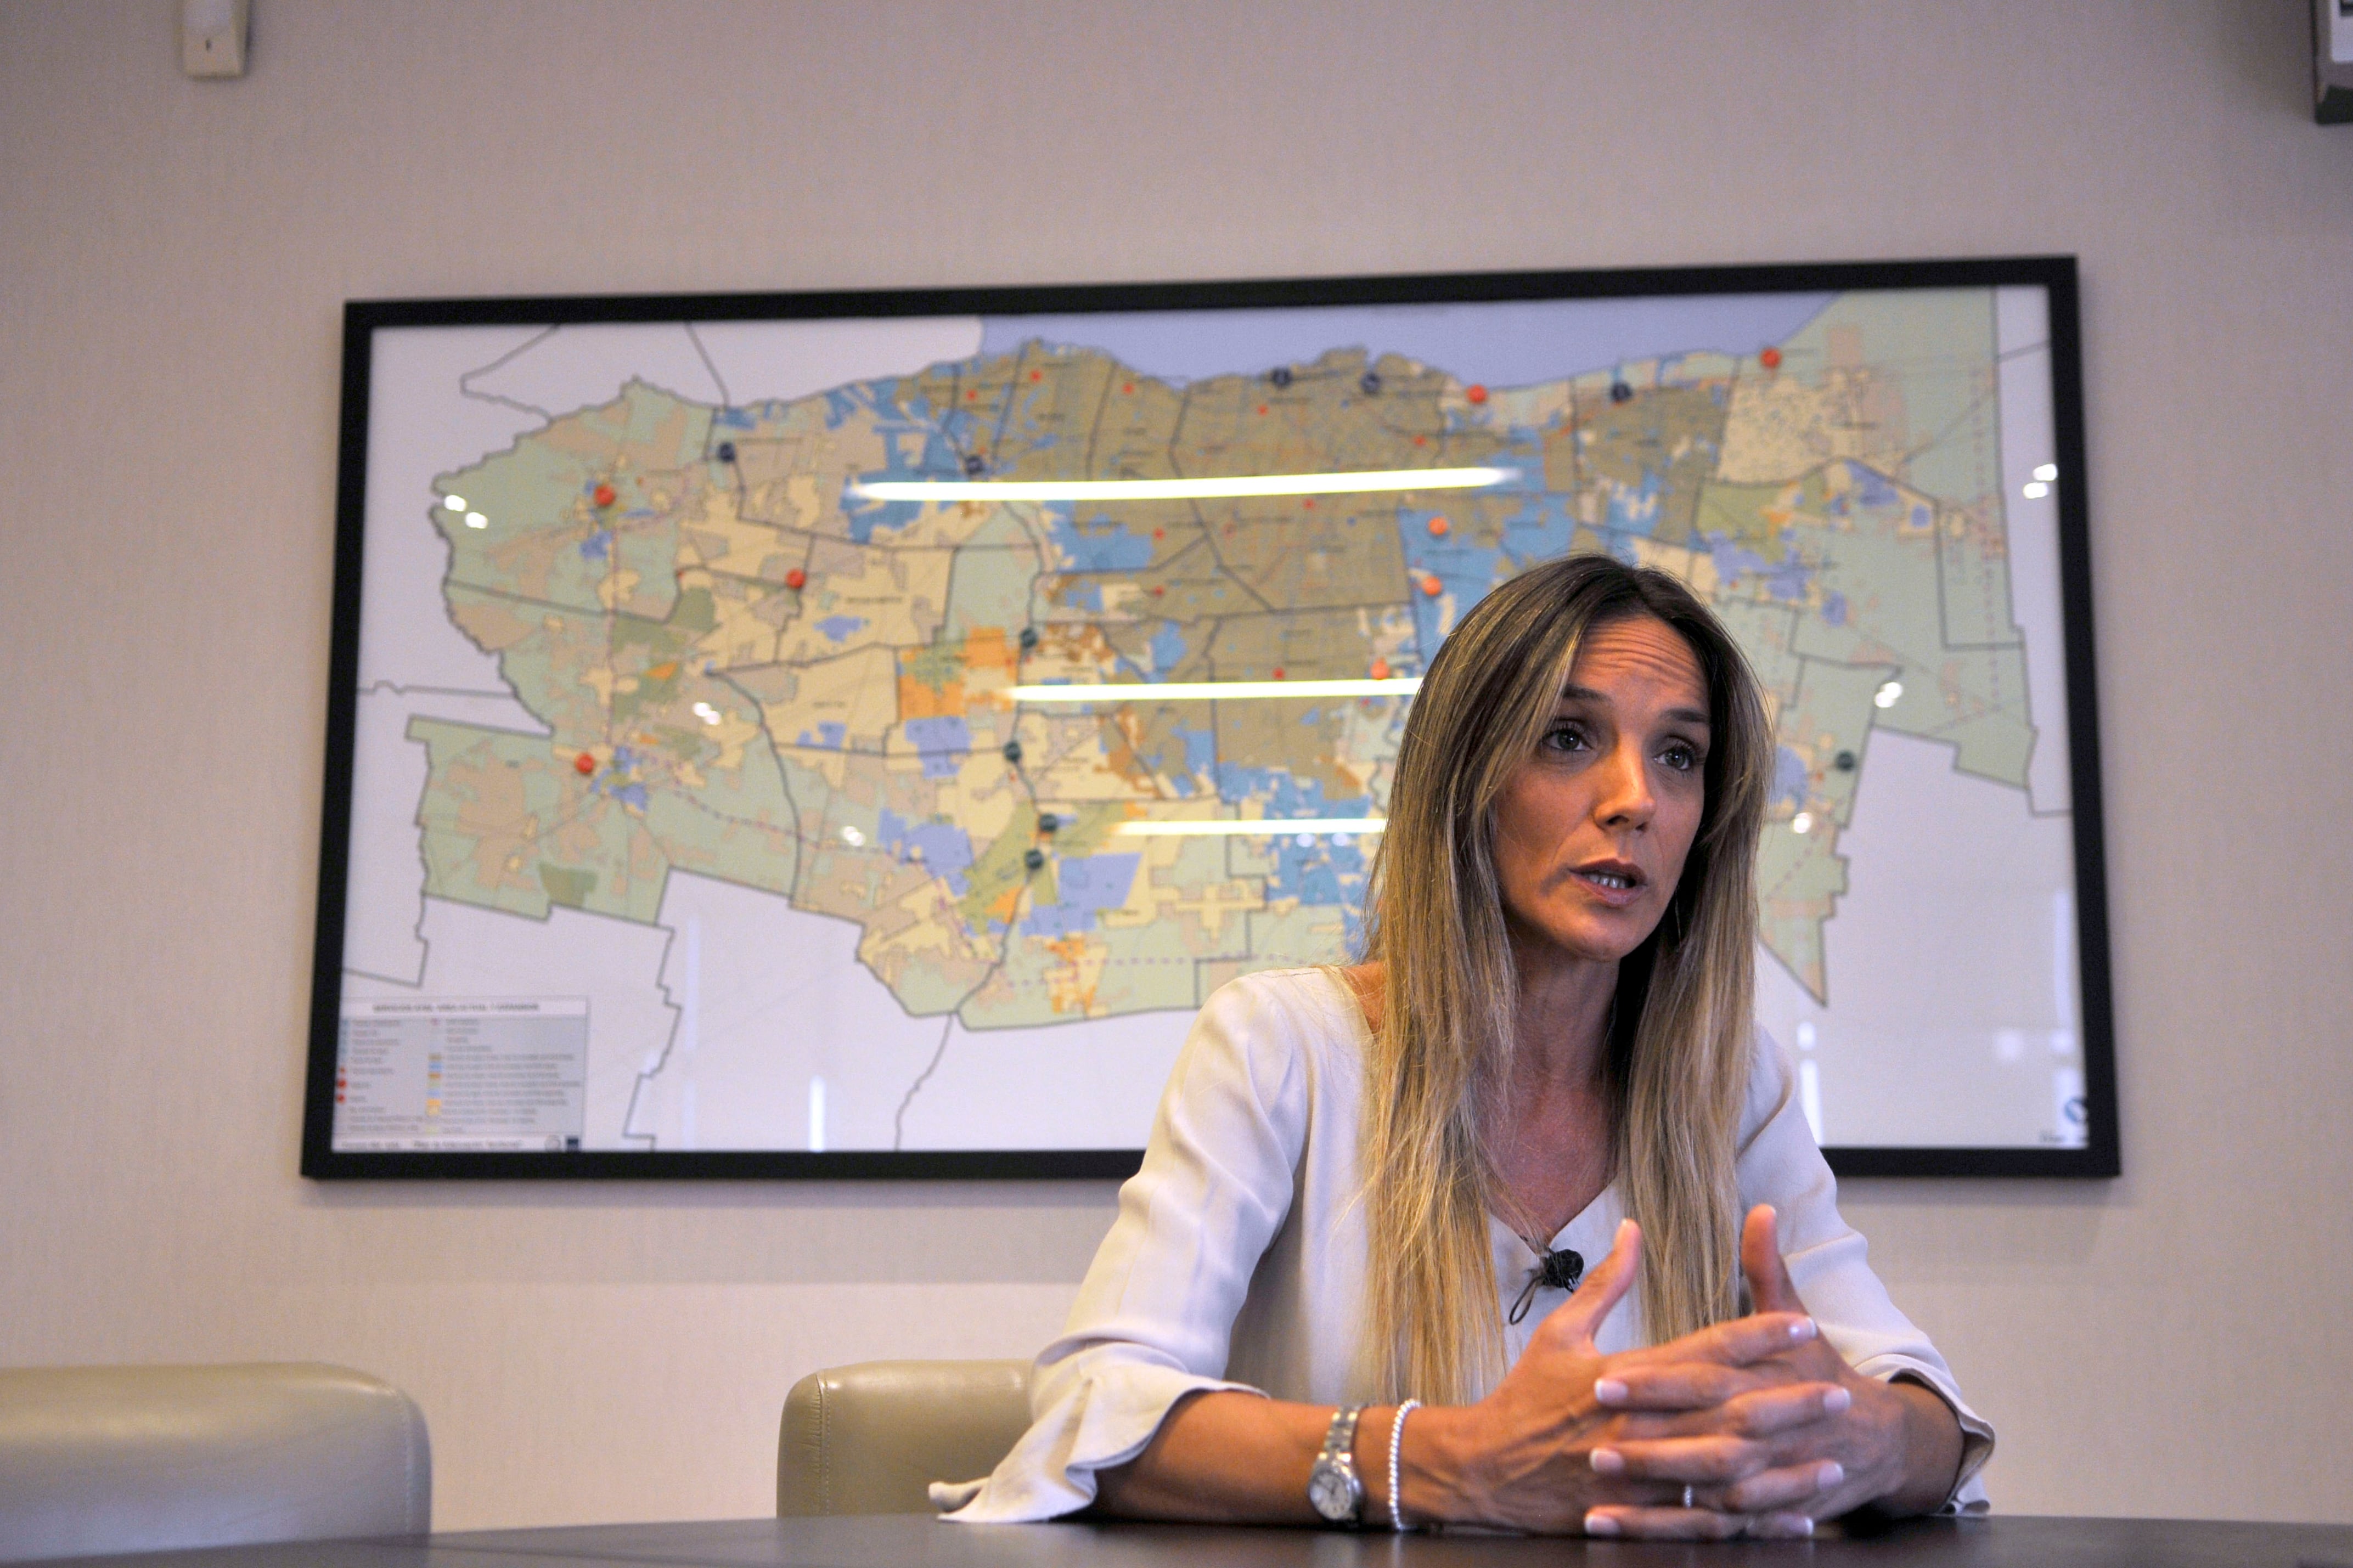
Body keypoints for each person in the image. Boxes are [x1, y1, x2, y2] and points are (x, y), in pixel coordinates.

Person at [936, 555, 1993, 1538]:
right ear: (1467, 777)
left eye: (1680, 755)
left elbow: (1928, 1418)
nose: (1635, 799)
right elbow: (1098, 1406)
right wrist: (1449, 1462)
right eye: (1568, 737)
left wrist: (1865, 1436)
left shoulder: (1733, 1086)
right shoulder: (1281, 1047)